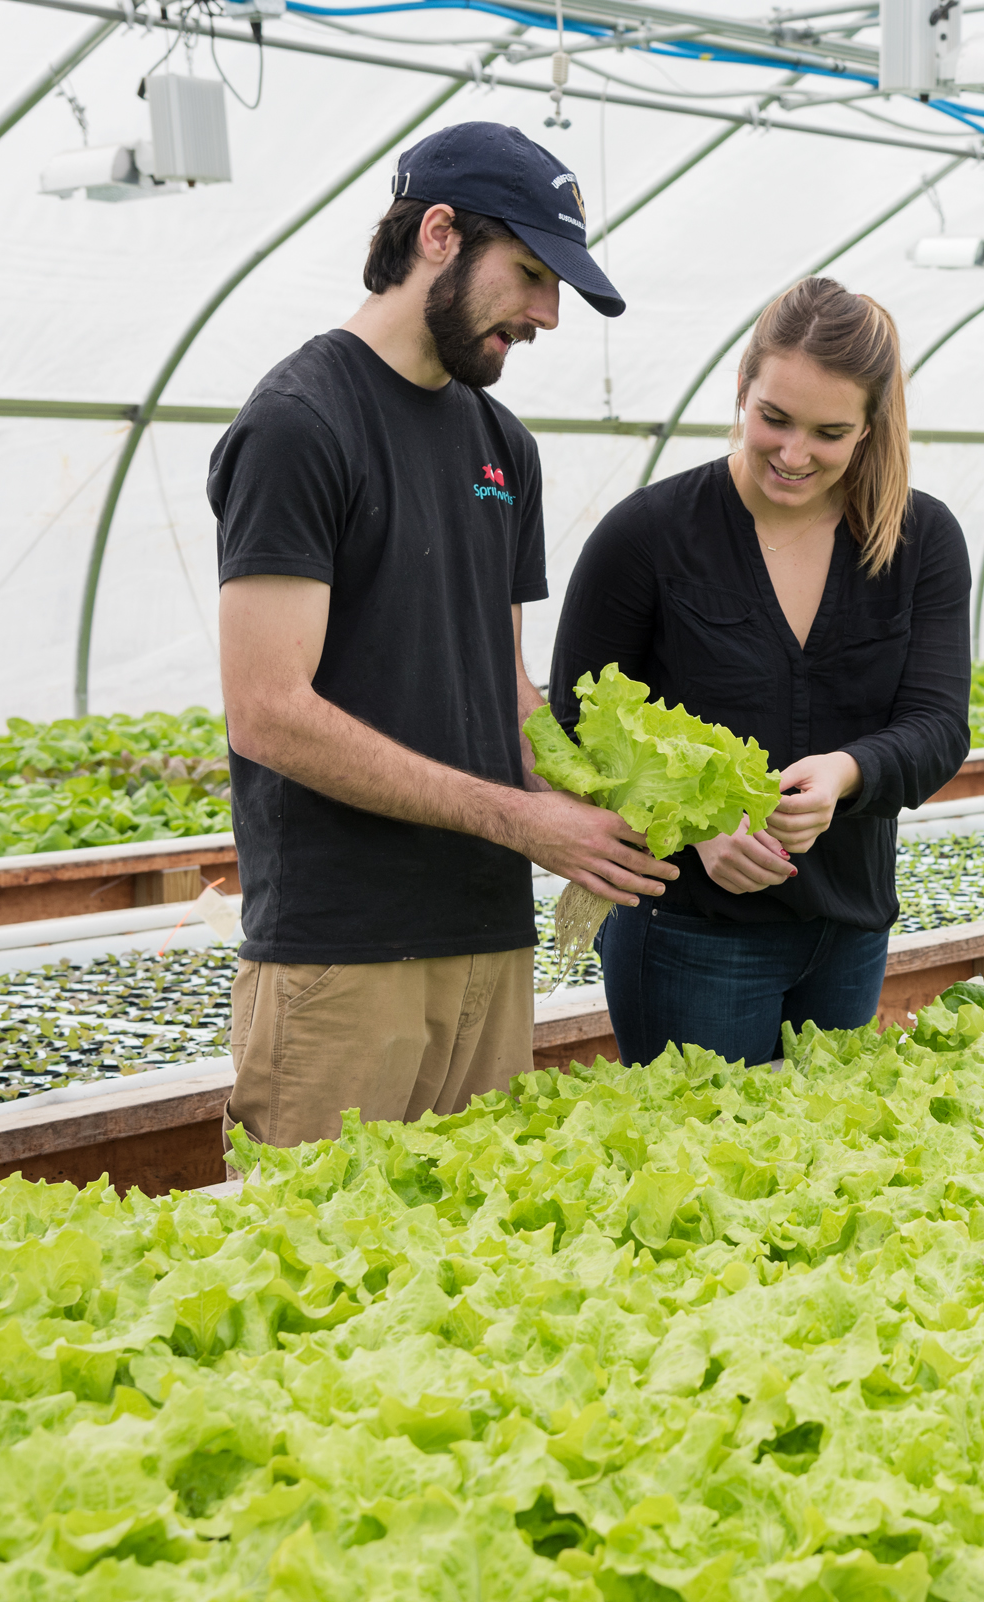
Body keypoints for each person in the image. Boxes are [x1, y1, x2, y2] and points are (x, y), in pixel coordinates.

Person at [210, 122, 676, 1151]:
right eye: (530, 275)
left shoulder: (501, 445)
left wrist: (621, 804)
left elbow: (503, 689)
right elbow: (269, 715)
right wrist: (520, 823)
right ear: (437, 234)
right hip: (344, 957)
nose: (548, 314)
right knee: (315, 1283)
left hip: (489, 948)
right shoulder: (302, 424)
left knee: (462, 1276)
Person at [549, 276, 972, 1065]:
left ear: (871, 428)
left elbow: (940, 726)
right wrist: (696, 825)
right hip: (688, 932)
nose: (793, 452)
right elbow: (576, 731)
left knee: (823, 1171)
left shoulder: (921, 540)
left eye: (830, 432)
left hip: (849, 927)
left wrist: (848, 772)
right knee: (701, 1167)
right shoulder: (647, 536)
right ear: (742, 389)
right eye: (773, 418)